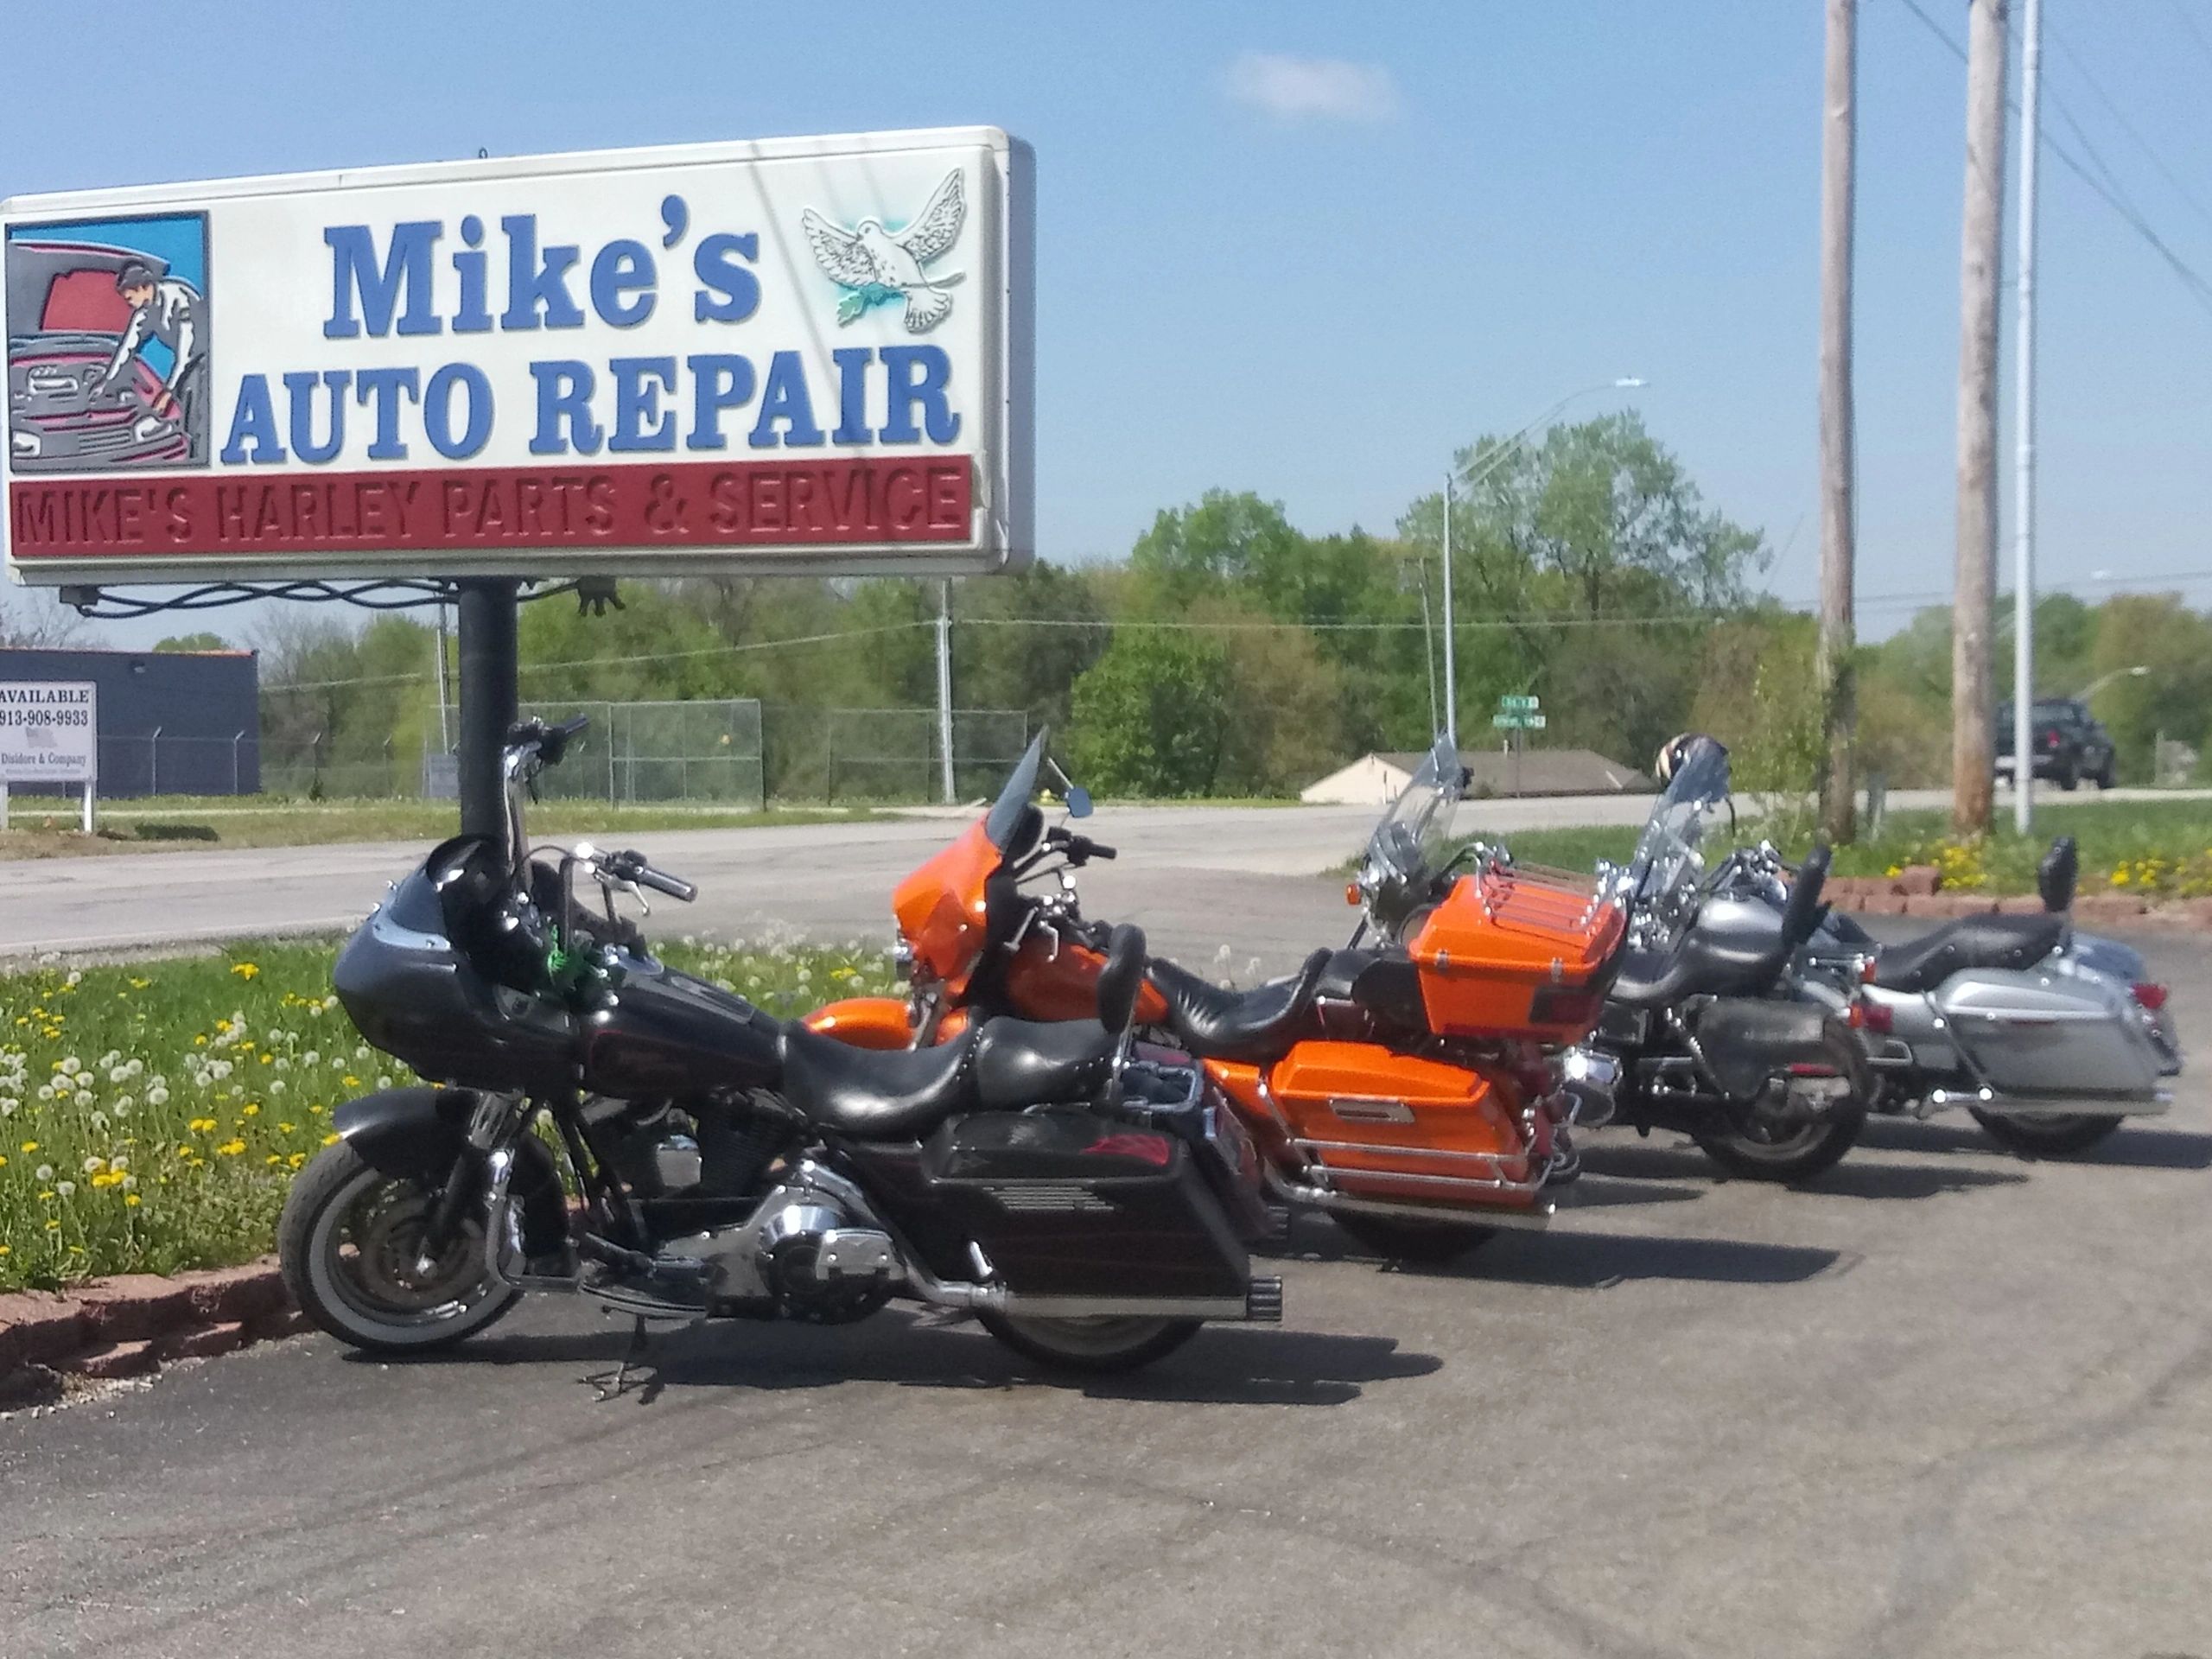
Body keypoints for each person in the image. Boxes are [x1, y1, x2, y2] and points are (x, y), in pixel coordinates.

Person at [93, 260, 204, 435]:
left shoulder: (179, 299)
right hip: (185, 368)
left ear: (141, 288)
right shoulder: (144, 312)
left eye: (130, 299)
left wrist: (167, 394)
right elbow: (127, 348)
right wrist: (106, 382)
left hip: (203, 362)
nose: (129, 305)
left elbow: (186, 354)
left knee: (195, 416)